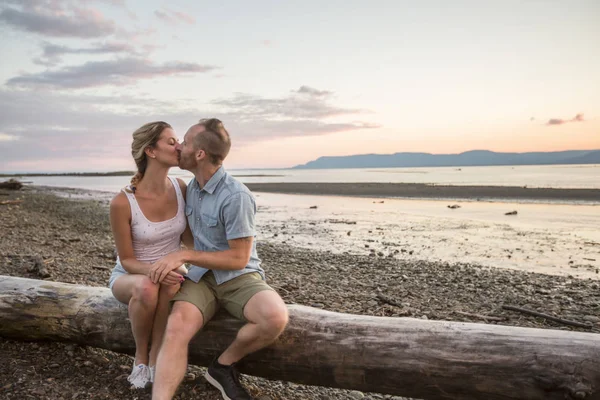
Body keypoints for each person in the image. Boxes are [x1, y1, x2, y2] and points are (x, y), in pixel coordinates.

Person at [149, 118, 289, 400]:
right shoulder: (191, 190)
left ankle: (223, 366)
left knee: (274, 318)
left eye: (185, 142)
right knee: (175, 328)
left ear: (200, 154)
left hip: (239, 277)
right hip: (201, 278)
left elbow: (239, 258)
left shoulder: (236, 196)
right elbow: (183, 233)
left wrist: (185, 254)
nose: (179, 147)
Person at [108, 121, 189, 389]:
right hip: (131, 276)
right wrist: (159, 270)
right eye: (171, 141)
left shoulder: (181, 188)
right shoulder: (122, 202)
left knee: (169, 284)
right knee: (147, 288)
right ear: (151, 151)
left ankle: (157, 358)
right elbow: (127, 260)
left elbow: (188, 241)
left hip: (171, 275)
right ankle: (141, 357)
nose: (179, 146)